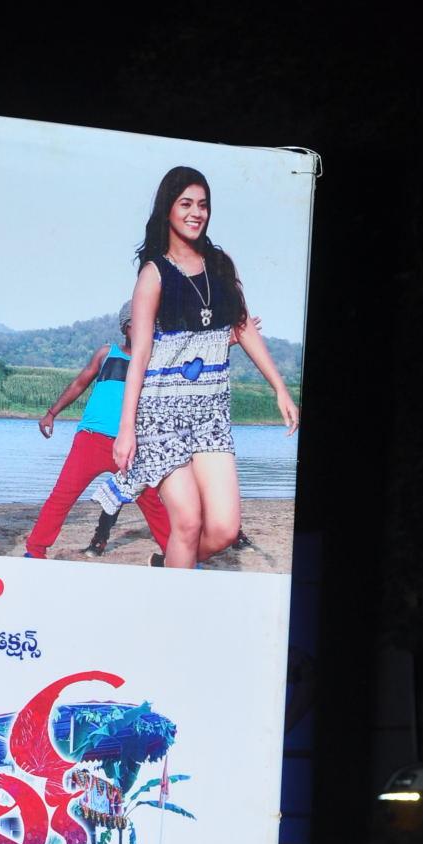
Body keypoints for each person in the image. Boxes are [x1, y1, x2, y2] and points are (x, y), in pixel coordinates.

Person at [107, 169, 299, 569]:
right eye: (186, 204)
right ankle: (175, 594)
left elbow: (242, 326)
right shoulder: (153, 274)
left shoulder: (221, 265)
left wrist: (279, 388)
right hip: (160, 415)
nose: (196, 213)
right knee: (189, 522)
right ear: (168, 209)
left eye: (203, 205)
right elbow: (139, 355)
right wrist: (126, 429)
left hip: (211, 414)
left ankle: (167, 568)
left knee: (225, 529)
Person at [20, 304, 170, 561]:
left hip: (130, 446)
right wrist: (52, 413)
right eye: (138, 325)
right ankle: (35, 551)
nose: (146, 330)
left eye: (151, 326)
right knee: (62, 496)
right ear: (126, 327)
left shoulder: (155, 362)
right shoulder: (106, 354)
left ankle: (178, 555)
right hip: (91, 439)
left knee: (152, 502)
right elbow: (79, 383)